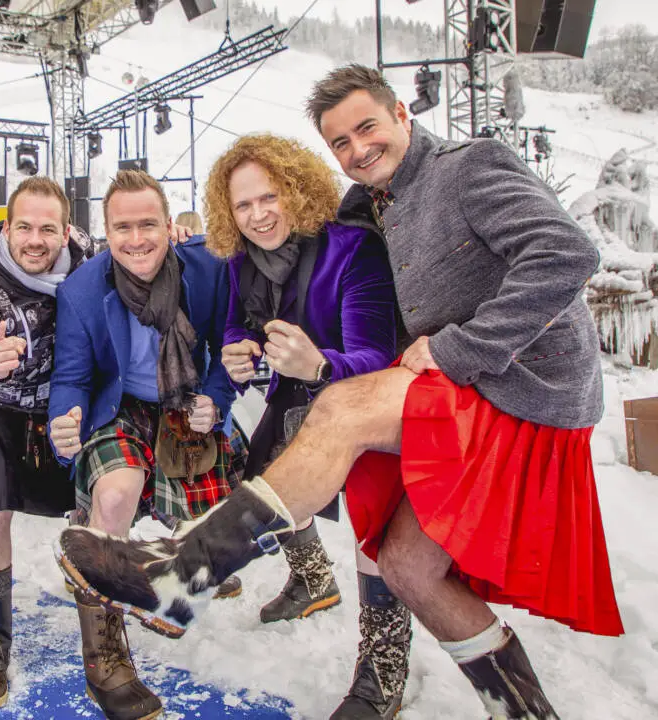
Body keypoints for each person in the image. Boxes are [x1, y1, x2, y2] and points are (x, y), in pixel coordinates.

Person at [55, 64, 623, 720]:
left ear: (402, 114)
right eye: (340, 142)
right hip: (449, 389)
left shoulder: (467, 167)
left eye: (367, 128)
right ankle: (522, 709)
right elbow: (248, 302)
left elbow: (565, 255)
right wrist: (241, 349)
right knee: (407, 565)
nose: (357, 149)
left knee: (341, 412)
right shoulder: (362, 204)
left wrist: (449, 349)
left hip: (520, 385)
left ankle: (186, 574)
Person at [206, 133, 408, 719]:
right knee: (267, 481)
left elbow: (376, 354)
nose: (258, 215)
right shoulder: (242, 260)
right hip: (295, 394)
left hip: (364, 400)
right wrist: (237, 350)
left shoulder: (351, 249)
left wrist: (318, 364)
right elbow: (237, 324)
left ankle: (383, 665)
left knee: (374, 530)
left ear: (297, 190)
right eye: (243, 205)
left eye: (269, 197)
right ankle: (313, 579)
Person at [48, 169, 244, 720]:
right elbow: (71, 375)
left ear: (168, 223)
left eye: (148, 225)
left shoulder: (207, 269)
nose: (136, 240)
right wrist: (64, 421)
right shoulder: (82, 290)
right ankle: (105, 657)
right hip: (120, 405)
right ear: (105, 231)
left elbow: (227, 344)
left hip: (184, 401)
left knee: (234, 516)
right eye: (123, 227)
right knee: (115, 496)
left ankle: (178, 575)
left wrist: (216, 399)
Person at [0, 176, 85, 709]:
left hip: (65, 404)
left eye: (47, 229)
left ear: (66, 232)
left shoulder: (91, 263)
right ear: (7, 227)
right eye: (23, 227)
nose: (34, 240)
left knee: (103, 494)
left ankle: (98, 603)